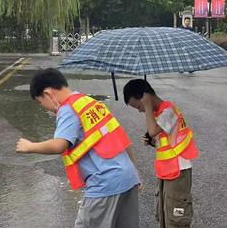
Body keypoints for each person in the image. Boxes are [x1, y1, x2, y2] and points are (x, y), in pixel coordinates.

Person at [16, 69, 140, 228]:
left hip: (104, 184)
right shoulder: (89, 102)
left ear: (48, 94)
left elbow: (60, 144)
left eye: (41, 102)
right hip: (127, 178)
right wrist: (134, 170)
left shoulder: (68, 109)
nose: (44, 107)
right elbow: (121, 138)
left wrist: (30, 147)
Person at [123, 79, 198, 228]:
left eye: (139, 106)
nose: (140, 110)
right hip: (169, 171)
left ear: (145, 97)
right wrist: (153, 142)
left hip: (178, 171)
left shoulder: (168, 109)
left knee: (176, 217)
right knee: (165, 211)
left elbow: (152, 130)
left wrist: (148, 106)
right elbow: (167, 140)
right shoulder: (160, 113)